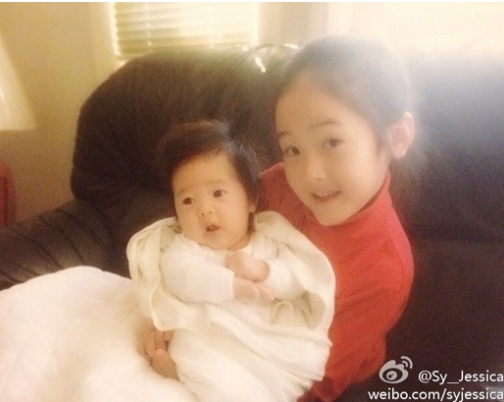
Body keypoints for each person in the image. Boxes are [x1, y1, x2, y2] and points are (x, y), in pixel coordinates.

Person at [143, 35, 416, 402]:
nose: (310, 174)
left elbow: (318, 381)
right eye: (292, 149)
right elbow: (207, 239)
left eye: (331, 142)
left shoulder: (384, 271)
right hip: (233, 323)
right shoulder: (275, 185)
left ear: (396, 137)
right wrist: (169, 313)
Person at [128, 120, 335, 402]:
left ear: (250, 200)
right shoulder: (185, 248)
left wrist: (264, 271)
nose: (204, 209)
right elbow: (180, 277)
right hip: (213, 340)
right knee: (194, 349)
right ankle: (183, 378)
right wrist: (230, 284)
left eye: (218, 193)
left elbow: (298, 281)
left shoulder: (270, 239)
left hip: (267, 343)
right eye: (188, 201)